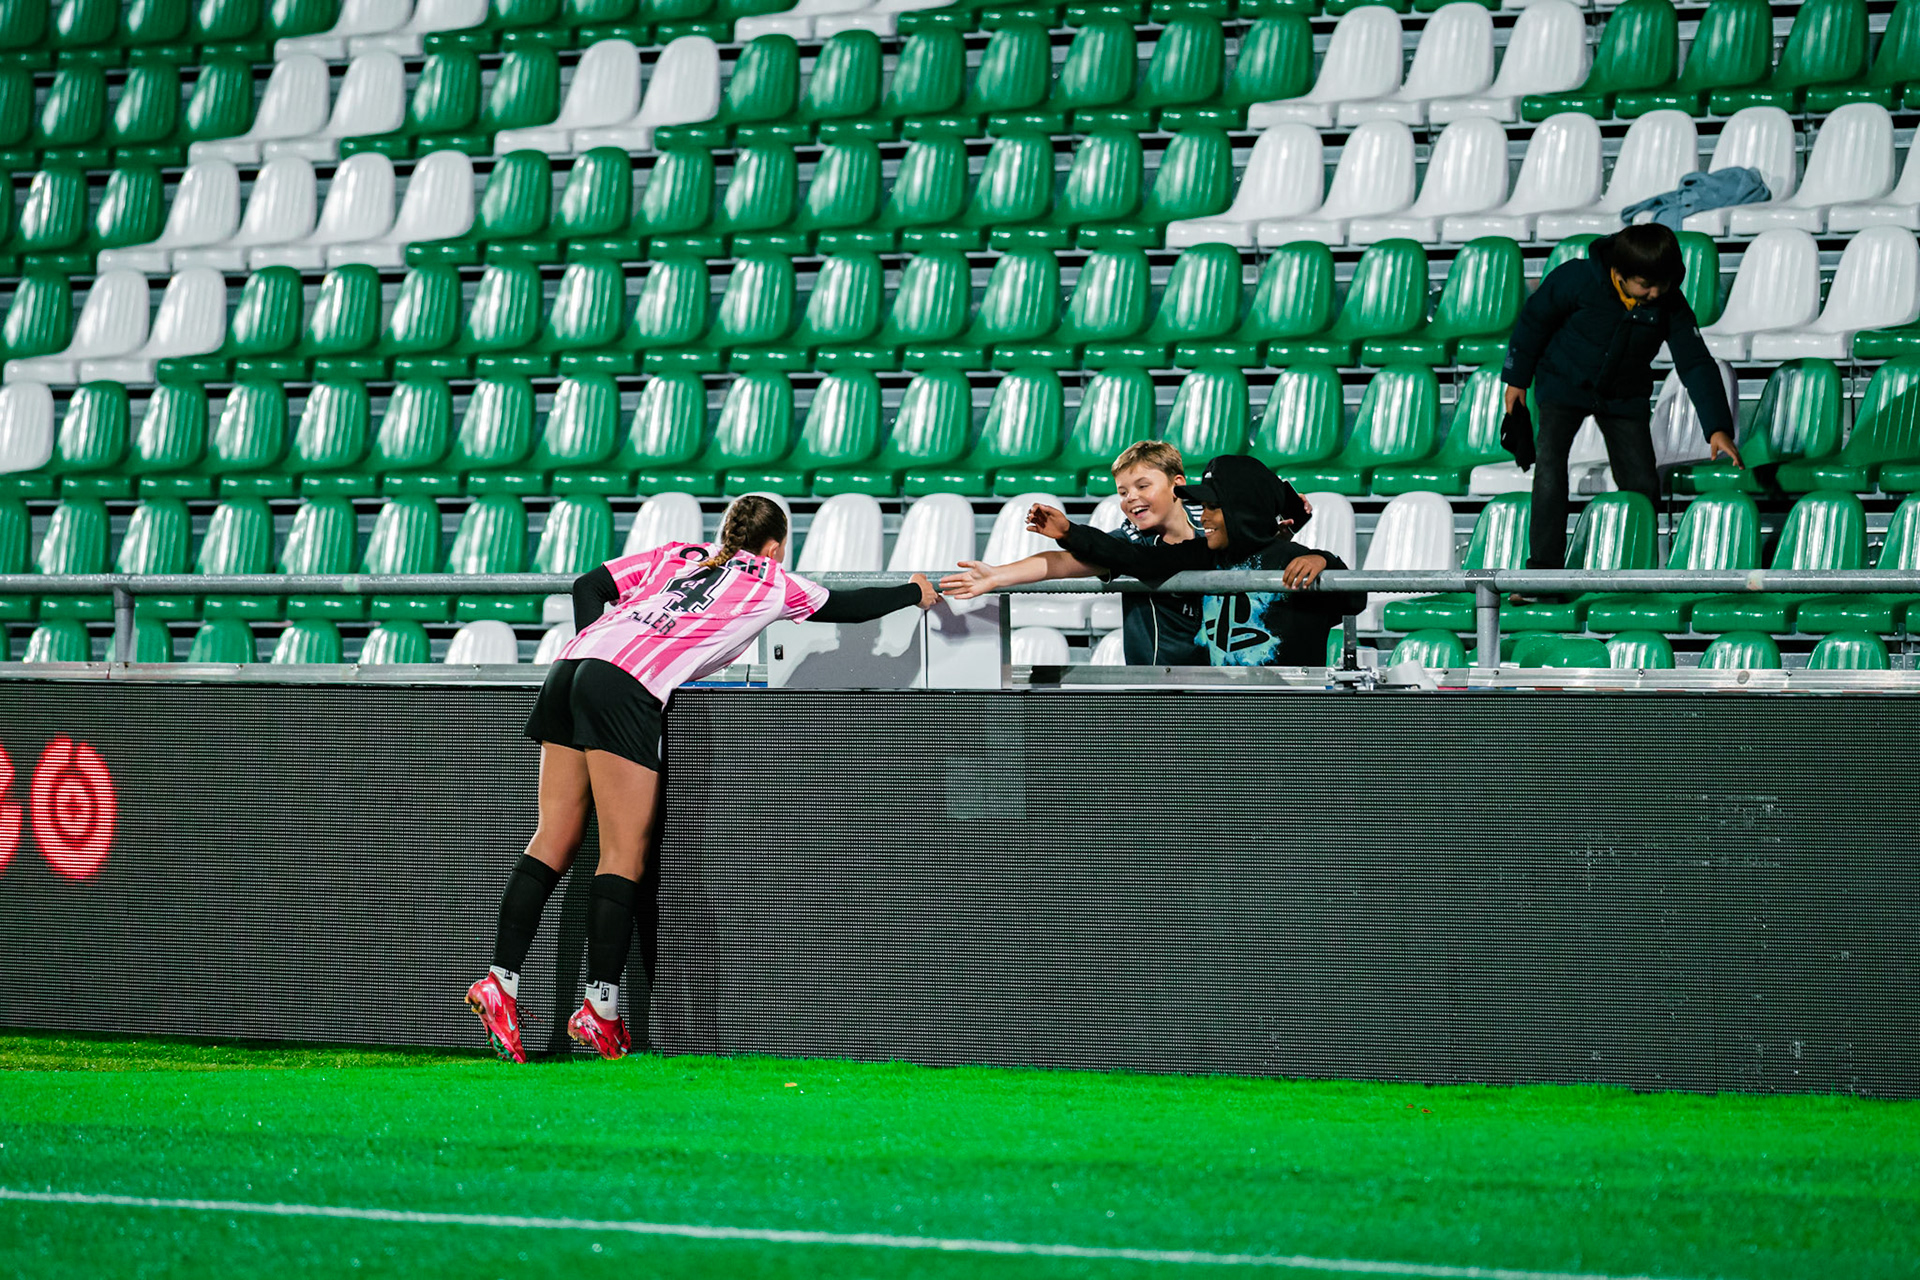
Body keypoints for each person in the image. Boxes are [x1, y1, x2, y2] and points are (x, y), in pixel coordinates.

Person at [466, 496, 938, 1062]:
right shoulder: (773, 581)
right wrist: (918, 590)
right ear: (777, 545)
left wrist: (605, 656)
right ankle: (600, 1012)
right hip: (623, 686)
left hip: (570, 667)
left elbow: (587, 587)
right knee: (622, 853)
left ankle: (500, 981)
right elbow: (853, 607)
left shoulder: (680, 553)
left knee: (553, 837)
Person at [1503, 223, 1744, 591]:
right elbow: (1533, 321)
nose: (1655, 292)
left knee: (1642, 482)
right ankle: (1543, 573)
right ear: (1618, 273)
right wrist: (1517, 380)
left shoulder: (1668, 302)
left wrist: (1717, 427)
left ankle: (1639, 568)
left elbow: (1695, 362)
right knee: (1550, 468)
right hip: (1563, 383)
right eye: (1645, 284)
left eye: (1661, 283)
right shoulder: (1577, 279)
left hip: (1623, 394)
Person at [1026, 454, 1368, 666]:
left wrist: (1326, 562)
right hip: (1220, 716)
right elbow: (1132, 557)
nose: (1201, 517)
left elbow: (1356, 599)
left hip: (1289, 721)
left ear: (1241, 511)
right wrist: (1070, 532)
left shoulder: (1296, 560)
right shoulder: (1201, 555)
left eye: (1211, 507)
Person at [938, 441, 1207, 664]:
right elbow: (1062, 563)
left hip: (1222, 677)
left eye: (1142, 485)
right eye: (1122, 492)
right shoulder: (1126, 543)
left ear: (1177, 484)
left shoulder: (1212, 528)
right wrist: (997, 575)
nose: (1130, 497)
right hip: (1160, 687)